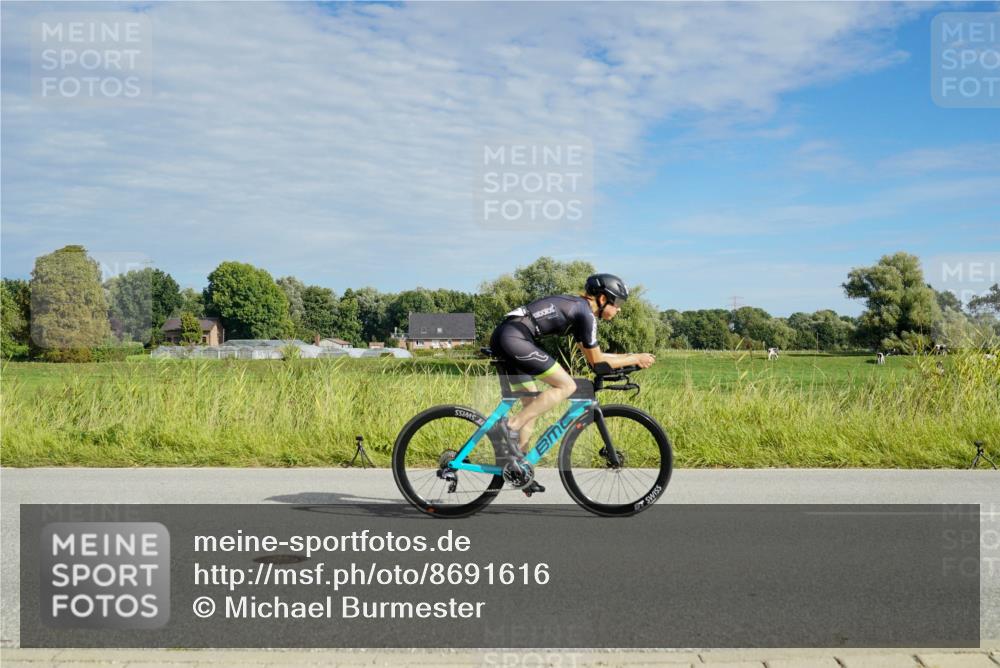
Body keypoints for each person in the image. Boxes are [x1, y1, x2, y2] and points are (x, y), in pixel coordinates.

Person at [488, 273, 656, 494]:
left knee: (531, 404)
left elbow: (595, 357)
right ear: (603, 298)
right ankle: (508, 426)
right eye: (618, 302)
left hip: (510, 336)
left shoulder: (579, 310)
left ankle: (518, 469)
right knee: (567, 386)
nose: (619, 309)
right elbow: (597, 361)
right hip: (515, 338)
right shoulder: (585, 313)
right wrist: (635, 359)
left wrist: (631, 356)